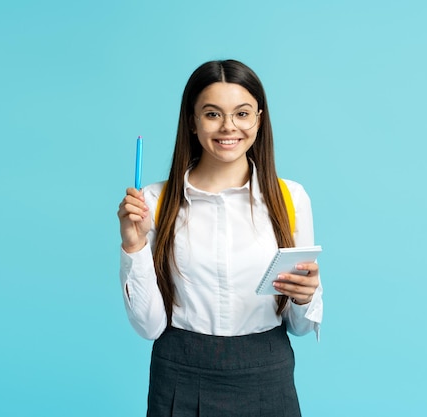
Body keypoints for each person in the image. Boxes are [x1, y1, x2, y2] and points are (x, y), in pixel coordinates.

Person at [117, 59, 323, 417]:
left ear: (259, 118)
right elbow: (149, 326)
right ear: (192, 122)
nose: (229, 127)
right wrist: (133, 247)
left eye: (242, 113)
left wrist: (306, 299)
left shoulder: (291, 198)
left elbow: (300, 326)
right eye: (212, 114)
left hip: (267, 375)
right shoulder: (153, 202)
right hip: (178, 374)